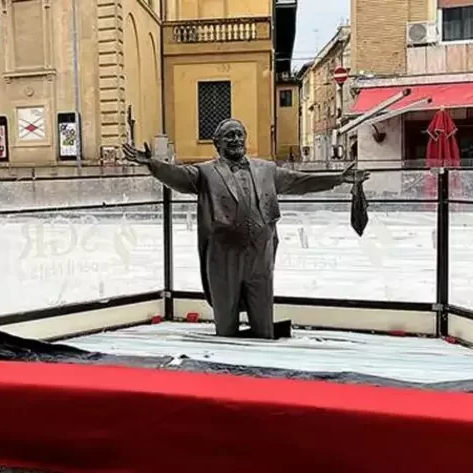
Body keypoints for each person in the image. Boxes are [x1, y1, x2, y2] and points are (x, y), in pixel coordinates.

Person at [123, 119, 369, 339]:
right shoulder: (206, 172)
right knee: (226, 320)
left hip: (260, 254)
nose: (236, 139)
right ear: (217, 143)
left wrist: (339, 178)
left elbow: (299, 181)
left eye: (240, 134)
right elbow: (177, 175)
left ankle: (263, 357)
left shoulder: (266, 170)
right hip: (223, 255)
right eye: (229, 135)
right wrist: (152, 164)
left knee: (263, 320)